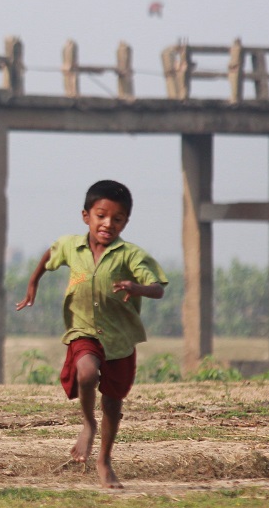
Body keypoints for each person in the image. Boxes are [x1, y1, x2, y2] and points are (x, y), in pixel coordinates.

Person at [16, 179, 167, 489]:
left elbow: (157, 288)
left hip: (119, 339)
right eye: (101, 215)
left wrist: (137, 288)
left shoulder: (130, 255)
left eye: (118, 218)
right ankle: (87, 422)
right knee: (86, 373)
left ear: (126, 221)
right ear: (86, 216)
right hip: (82, 330)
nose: (108, 224)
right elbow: (49, 254)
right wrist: (33, 282)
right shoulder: (72, 246)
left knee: (113, 403)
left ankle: (104, 460)